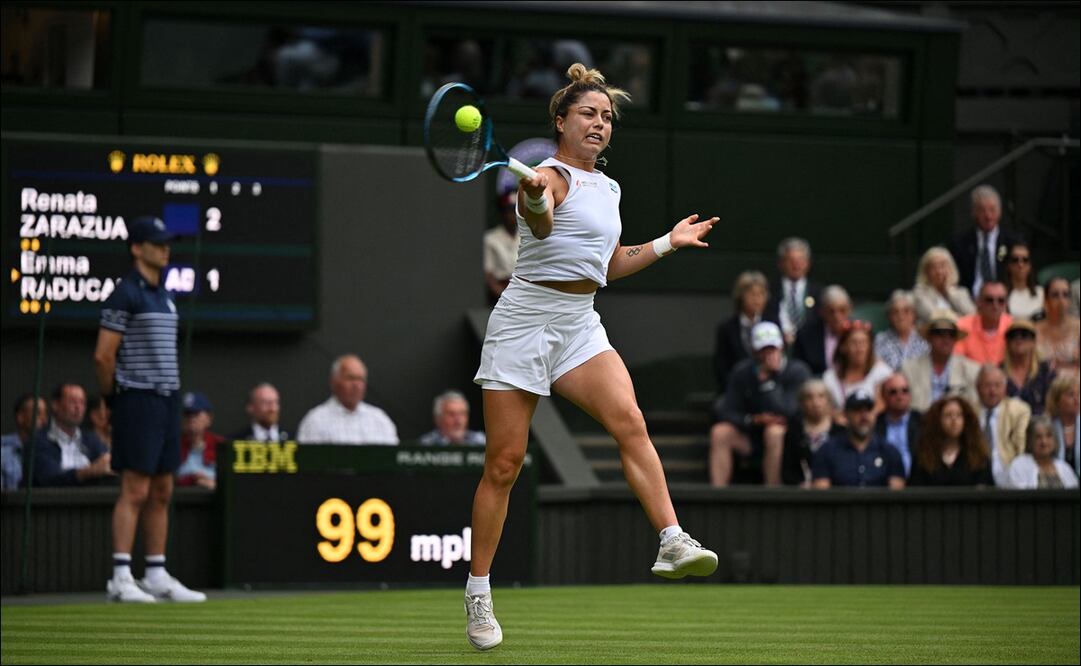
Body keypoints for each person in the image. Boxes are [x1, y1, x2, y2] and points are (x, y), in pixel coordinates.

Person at [466, 63, 720, 651]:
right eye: (588, 113)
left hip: (580, 323)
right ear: (561, 122)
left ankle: (671, 538)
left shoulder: (609, 189)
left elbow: (608, 267)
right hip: (525, 321)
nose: (600, 124)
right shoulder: (548, 177)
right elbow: (544, 221)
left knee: (630, 421)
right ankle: (479, 590)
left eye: (607, 117)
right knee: (504, 464)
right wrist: (532, 202)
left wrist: (666, 243)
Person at [94, 215, 205, 603]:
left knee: (162, 489)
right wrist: (112, 400)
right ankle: (121, 577)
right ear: (137, 249)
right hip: (136, 399)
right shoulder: (126, 293)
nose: (165, 249)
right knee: (135, 489)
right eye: (156, 244)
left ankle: (155, 573)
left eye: (166, 243)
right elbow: (104, 357)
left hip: (166, 400)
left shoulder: (165, 296)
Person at [710, 321, 811, 487]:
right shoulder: (742, 372)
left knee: (774, 432)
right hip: (752, 436)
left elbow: (790, 411)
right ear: (754, 351)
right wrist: (752, 420)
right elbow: (726, 410)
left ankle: (771, 493)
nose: (768, 355)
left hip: (789, 441)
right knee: (720, 432)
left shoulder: (798, 372)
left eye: (772, 349)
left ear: (781, 348)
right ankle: (717, 494)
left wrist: (767, 383)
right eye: (763, 350)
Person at [811, 389, 906, 489]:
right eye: (857, 410)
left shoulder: (889, 451)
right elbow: (821, 494)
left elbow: (897, 495)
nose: (864, 416)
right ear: (846, 414)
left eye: (868, 410)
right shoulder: (827, 451)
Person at [297, 355, 399, 445]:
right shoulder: (315, 421)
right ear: (334, 382)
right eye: (351, 378)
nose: (357, 385)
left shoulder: (380, 419)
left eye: (361, 379)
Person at [30, 383, 113, 487]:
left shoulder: (91, 440)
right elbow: (49, 480)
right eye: (72, 402)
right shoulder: (39, 441)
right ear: (56, 405)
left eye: (82, 403)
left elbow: (107, 465)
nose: (78, 407)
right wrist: (88, 472)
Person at [948, 184, 1020, 298]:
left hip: (1003, 298)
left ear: (1000, 211)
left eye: (992, 209)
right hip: (970, 299)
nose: (988, 216)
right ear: (973, 212)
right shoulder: (960, 243)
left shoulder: (1012, 242)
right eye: (982, 210)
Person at [902, 310, 981, 412]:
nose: (946, 338)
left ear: (955, 338)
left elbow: (973, 408)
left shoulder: (972, 370)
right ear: (929, 337)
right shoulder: (909, 369)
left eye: (951, 334)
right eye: (939, 333)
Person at [908, 396, 994, 486]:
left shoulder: (978, 455)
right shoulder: (923, 455)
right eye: (948, 415)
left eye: (959, 415)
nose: (954, 420)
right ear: (937, 421)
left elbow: (984, 488)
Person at [713, 270, 772, 392]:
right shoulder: (727, 328)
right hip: (736, 390)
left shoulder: (773, 325)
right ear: (740, 297)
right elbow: (721, 366)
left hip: (769, 389)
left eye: (761, 294)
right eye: (752, 294)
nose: (757, 299)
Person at [821, 321, 893, 420]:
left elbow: (881, 406)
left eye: (863, 343)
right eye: (854, 343)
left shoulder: (882, 372)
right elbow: (828, 410)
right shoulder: (829, 378)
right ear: (843, 347)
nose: (859, 348)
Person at [780, 379, 844, 486]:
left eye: (821, 396)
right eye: (809, 397)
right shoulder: (794, 432)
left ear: (829, 400)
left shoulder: (840, 432)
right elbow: (787, 469)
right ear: (802, 402)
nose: (815, 402)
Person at [975, 365, 1030, 486]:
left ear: (1005, 388)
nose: (992, 391)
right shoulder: (969, 411)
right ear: (978, 388)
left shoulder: (1019, 410)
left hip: (1009, 475)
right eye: (987, 385)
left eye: (997, 385)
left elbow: (1021, 446)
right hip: (975, 477)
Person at [763, 237, 821, 346]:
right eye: (791, 261)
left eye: (801, 260)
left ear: (808, 263)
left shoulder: (819, 293)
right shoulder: (768, 290)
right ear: (781, 263)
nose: (796, 265)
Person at [1004, 415, 1080, 489]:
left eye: (1049, 436)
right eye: (1038, 437)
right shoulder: (1019, 465)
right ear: (1030, 440)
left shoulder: (1065, 468)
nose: (1044, 442)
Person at [792, 285, 852, 376]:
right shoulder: (806, 336)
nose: (837, 317)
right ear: (822, 312)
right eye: (831, 311)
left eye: (842, 310)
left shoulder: (859, 334)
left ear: (850, 310)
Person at [873, 373, 923, 479]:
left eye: (904, 391)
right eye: (893, 392)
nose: (900, 396)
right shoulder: (874, 424)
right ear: (883, 396)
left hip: (917, 485)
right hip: (883, 486)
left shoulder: (922, 422)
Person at [1002, 319, 1055, 415]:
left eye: (1025, 335)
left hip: (1040, 424)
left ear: (1034, 341)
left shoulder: (1045, 371)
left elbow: (1054, 403)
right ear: (1007, 342)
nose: (1019, 339)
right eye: (1013, 336)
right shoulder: (999, 372)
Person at [954, 281, 1012, 365]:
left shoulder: (1013, 327)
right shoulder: (962, 326)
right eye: (989, 300)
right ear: (978, 302)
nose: (995, 305)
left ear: (1006, 304)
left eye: (1001, 301)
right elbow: (957, 362)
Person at [912, 246, 975, 324]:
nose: (939, 272)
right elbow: (933, 316)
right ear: (926, 271)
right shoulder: (920, 293)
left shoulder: (961, 292)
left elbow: (973, 317)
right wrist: (962, 319)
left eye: (942, 266)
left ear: (950, 268)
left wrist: (949, 292)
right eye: (933, 267)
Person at [176, 392, 223, 490]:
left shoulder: (220, 445)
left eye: (196, 414)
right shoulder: (173, 445)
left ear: (209, 418)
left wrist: (215, 484)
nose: (191, 419)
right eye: (187, 414)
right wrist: (193, 479)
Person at [1034, 277, 1081, 377]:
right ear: (1046, 300)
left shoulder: (1078, 327)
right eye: (1055, 295)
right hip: (1043, 385)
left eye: (1065, 295)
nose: (1061, 300)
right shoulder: (1035, 330)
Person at [874, 290, 929, 371]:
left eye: (906, 311)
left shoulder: (925, 339)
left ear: (914, 314)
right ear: (889, 316)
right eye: (895, 312)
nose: (901, 316)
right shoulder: (880, 340)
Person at [1, 394, 47, 491]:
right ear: (20, 417)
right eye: (38, 413)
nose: (44, 420)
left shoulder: (48, 452)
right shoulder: (4, 452)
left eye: (45, 414)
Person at [484, 189, 520, 305]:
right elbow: (488, 276)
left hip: (525, 292)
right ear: (502, 212)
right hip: (500, 296)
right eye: (509, 210)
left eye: (516, 210)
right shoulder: (490, 238)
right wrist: (506, 298)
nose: (513, 215)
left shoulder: (528, 236)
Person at [419, 390, 486, 445]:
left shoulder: (481, 441)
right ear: (438, 419)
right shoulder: (427, 444)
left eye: (462, 414)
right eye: (451, 414)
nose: (458, 420)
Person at [1045, 374, 1079, 479]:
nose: (1077, 399)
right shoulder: (1046, 427)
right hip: (1055, 487)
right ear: (1057, 400)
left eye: (1079, 394)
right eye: (1070, 395)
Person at [1003, 241, 1043, 320]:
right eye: (1015, 260)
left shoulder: (1041, 293)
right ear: (1008, 265)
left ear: (1030, 265)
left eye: (1025, 260)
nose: (1020, 264)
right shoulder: (1000, 294)